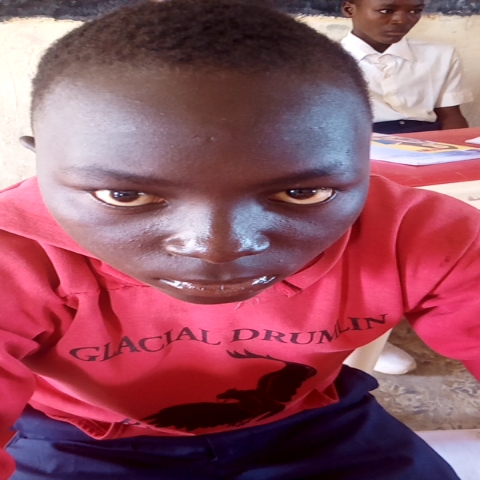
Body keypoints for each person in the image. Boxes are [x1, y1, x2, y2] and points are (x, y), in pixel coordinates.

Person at [0, 1, 478, 478]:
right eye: (125, 195)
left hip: (310, 424)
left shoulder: (421, 235)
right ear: (40, 163)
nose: (218, 247)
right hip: (79, 436)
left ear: (366, 162)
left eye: (302, 193)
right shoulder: (14, 253)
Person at [341, 0, 473, 134]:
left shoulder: (440, 55)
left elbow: (450, 116)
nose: (402, 21)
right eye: (386, 11)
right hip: (358, 139)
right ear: (349, 10)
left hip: (426, 138)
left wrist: (457, 145)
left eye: (415, 11)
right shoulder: (330, 60)